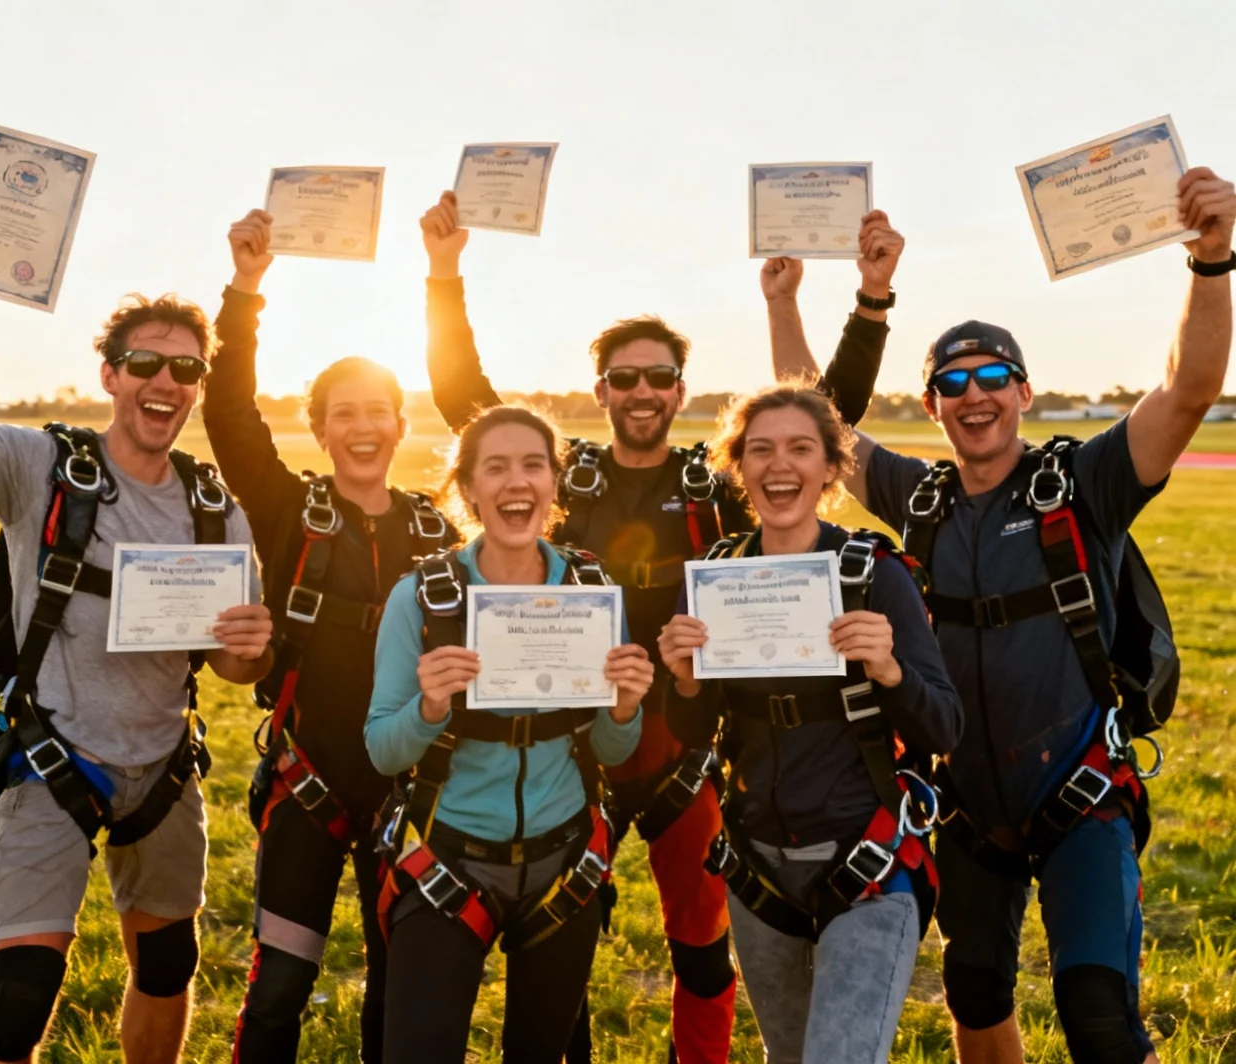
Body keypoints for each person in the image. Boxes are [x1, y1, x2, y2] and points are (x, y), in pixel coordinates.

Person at [418, 190, 904, 1061]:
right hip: (582, 746)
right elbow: (468, 406)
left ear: (680, 390)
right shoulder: (572, 482)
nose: (641, 392)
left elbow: (824, 415)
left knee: (702, 952)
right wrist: (444, 278)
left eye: (658, 378)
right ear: (600, 388)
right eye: (624, 378)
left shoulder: (716, 486)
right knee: (558, 946)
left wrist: (868, 302)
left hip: (684, 751)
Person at [768, 167, 1236, 1063]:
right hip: (965, 803)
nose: (973, 393)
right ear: (935, 403)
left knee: (1098, 1011)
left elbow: (1187, 389)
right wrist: (800, 300)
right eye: (953, 381)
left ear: (1022, 392)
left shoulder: (1083, 484)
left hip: (1078, 792)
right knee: (975, 996)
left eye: (993, 376)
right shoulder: (919, 497)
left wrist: (1210, 261)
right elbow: (815, 422)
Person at [0, 202, 274, 1064]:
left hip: (162, 765)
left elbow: (239, 670)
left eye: (185, 370)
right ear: (110, 375)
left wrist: (246, 646)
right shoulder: (42, 468)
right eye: (145, 364)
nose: (166, 383)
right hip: (52, 759)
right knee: (17, 1003)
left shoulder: (214, 508)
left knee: (167, 965)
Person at [199, 210, 454, 1063]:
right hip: (306, 787)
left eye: (380, 409)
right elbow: (229, 413)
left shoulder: (436, 533)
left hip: (408, 793)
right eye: (345, 412)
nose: (364, 425)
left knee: (398, 984)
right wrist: (245, 293)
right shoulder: (289, 512)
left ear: (400, 425)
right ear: (319, 427)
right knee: (279, 986)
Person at [658, 384, 962, 1063]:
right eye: (759, 450)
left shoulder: (874, 575)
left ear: (831, 467)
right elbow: (694, 730)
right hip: (758, 872)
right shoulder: (715, 578)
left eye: (801, 448)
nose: (779, 466)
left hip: (868, 865)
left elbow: (945, 728)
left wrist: (890, 671)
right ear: (737, 467)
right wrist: (682, 679)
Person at [365, 404, 651, 1063]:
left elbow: (610, 752)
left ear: (555, 483)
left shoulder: (590, 590)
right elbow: (384, 749)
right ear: (466, 487)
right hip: (448, 859)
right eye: (495, 467)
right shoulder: (425, 597)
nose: (515, 482)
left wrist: (626, 707)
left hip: (564, 858)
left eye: (532, 465)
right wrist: (431, 706)